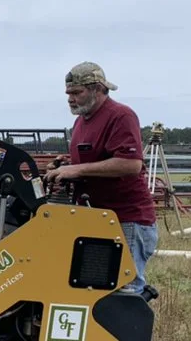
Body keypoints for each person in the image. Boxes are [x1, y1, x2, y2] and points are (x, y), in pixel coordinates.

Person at [44, 61, 158, 294]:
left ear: (97, 89)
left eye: (77, 93)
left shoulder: (121, 116)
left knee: (123, 291)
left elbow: (131, 164)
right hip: (97, 217)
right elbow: (91, 160)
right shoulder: (81, 121)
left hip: (125, 219)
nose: (70, 99)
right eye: (68, 93)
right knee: (95, 290)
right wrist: (65, 165)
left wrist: (76, 170)